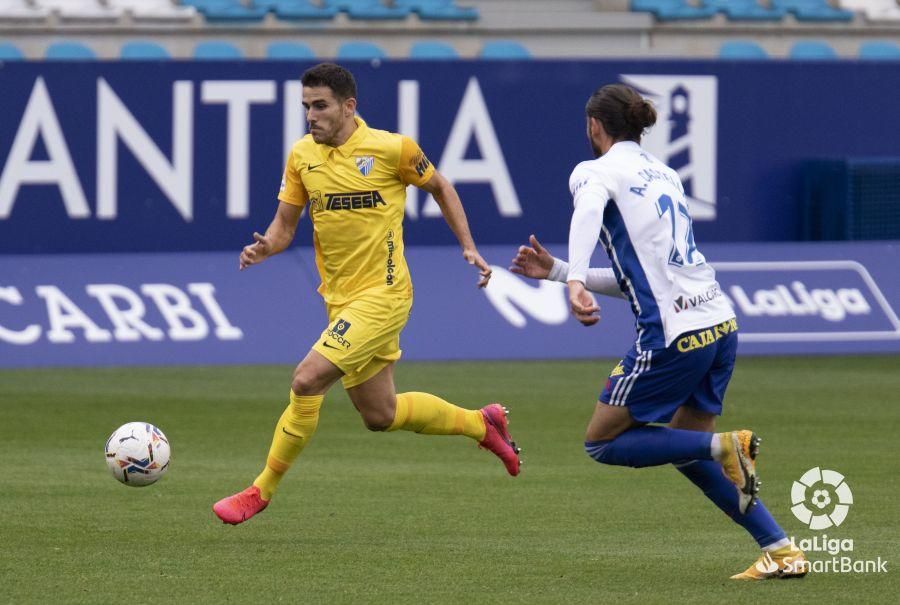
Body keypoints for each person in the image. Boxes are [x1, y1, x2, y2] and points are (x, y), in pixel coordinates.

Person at [509, 83, 805, 581]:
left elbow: (585, 214)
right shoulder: (664, 174)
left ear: (594, 127)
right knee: (689, 452)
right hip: (720, 325)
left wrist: (576, 278)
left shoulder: (594, 171)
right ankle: (780, 548)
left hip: (674, 337)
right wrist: (561, 272)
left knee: (603, 443)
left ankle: (726, 446)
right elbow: (641, 280)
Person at [213, 63, 520, 525]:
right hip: (341, 300)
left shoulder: (392, 149)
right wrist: (266, 248)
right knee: (381, 413)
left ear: (348, 106)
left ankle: (260, 490)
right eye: (306, 107)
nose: (310, 116)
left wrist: (469, 247)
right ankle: (483, 423)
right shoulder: (302, 157)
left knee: (306, 380)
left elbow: (440, 186)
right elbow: (283, 227)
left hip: (386, 294)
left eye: (320, 106)